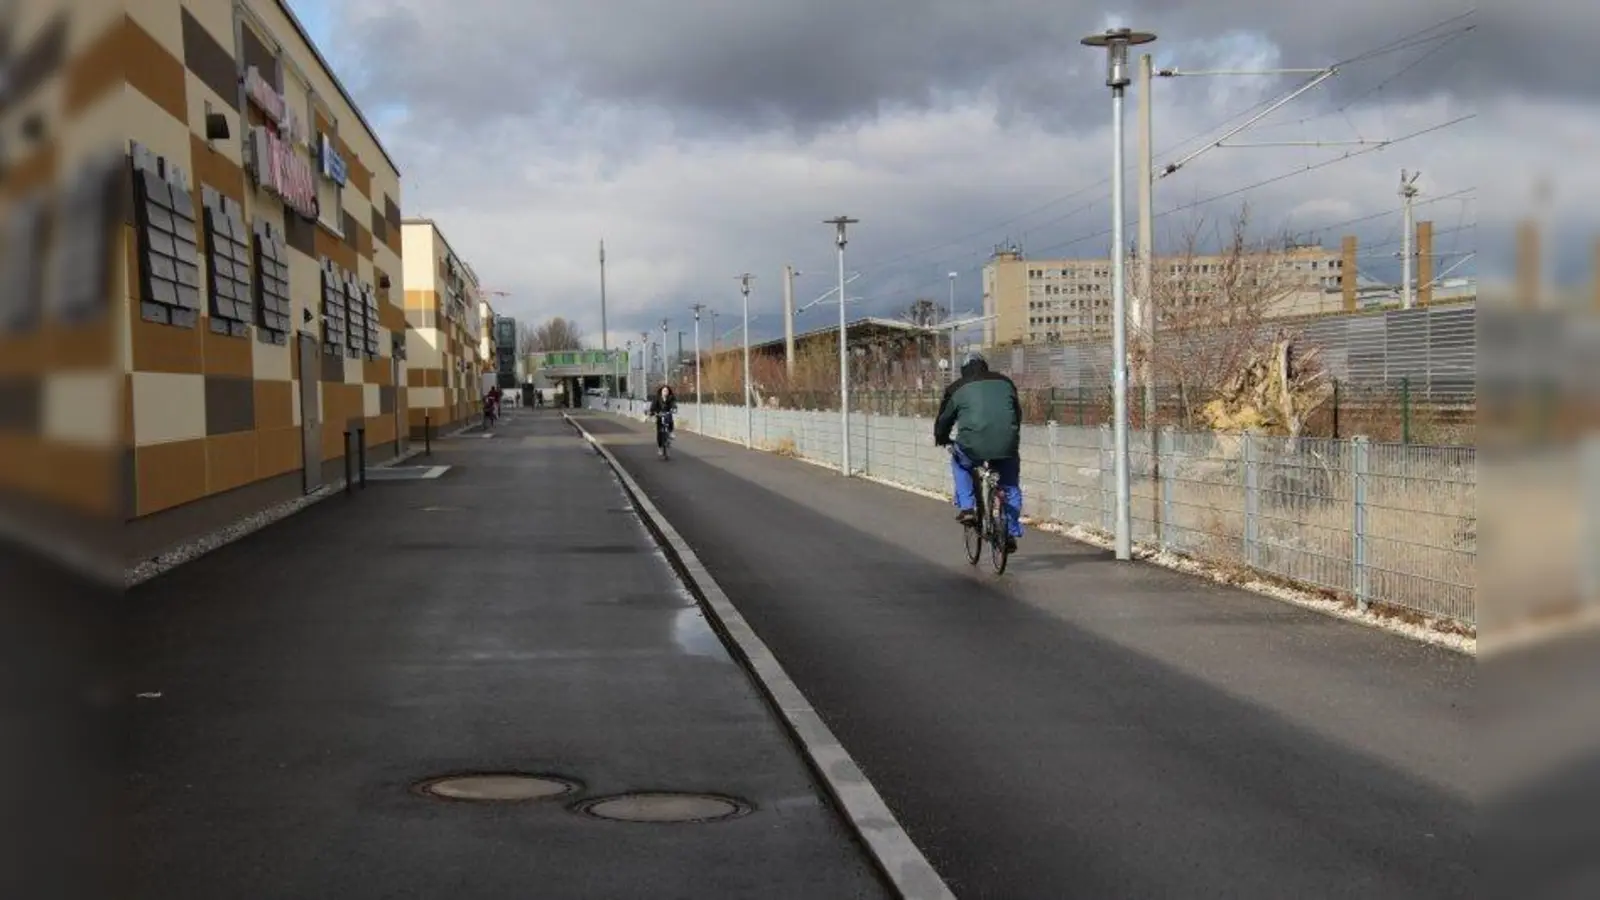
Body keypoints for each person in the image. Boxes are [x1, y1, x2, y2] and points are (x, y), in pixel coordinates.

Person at [934, 352, 1024, 551]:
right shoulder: (1005, 382)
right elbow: (1017, 414)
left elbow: (944, 420)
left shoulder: (957, 388)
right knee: (1009, 485)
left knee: (960, 463)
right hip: (1006, 444)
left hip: (971, 446)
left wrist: (941, 439)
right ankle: (1009, 530)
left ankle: (967, 507)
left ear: (964, 370)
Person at [647, 385, 678, 456]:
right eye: (664, 391)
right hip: (659, 414)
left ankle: (670, 432)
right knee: (659, 433)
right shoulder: (657, 398)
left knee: (669, 417)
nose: (665, 392)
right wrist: (652, 412)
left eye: (667, 391)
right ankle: (660, 448)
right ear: (661, 391)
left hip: (667, 413)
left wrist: (674, 408)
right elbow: (653, 406)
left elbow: (674, 404)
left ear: (669, 392)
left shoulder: (671, 398)